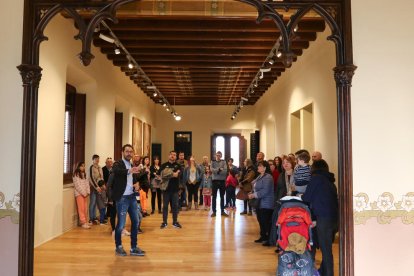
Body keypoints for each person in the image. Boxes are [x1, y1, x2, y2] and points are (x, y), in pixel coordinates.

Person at [302, 159, 338, 276]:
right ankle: (323, 271)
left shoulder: (316, 179)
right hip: (334, 219)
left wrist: (300, 196)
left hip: (323, 218)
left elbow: (307, 197)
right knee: (327, 247)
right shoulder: (330, 181)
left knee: (325, 249)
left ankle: (328, 273)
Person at [111, 144, 145, 257]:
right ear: (122, 152)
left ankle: (134, 247)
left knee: (136, 221)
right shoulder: (118, 164)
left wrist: (137, 184)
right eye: (127, 151)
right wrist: (129, 170)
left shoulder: (131, 164)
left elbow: (133, 178)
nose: (129, 153)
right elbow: (117, 172)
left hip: (131, 197)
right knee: (121, 225)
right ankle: (118, 247)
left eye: (131, 151)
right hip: (122, 198)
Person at [248, 161, 274, 244]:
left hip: (266, 203)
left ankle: (268, 239)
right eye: (258, 166)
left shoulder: (268, 177)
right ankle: (263, 236)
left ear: (265, 168)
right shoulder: (260, 176)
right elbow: (255, 185)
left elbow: (265, 191)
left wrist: (254, 195)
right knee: (260, 220)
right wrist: (251, 192)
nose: (258, 167)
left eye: (260, 166)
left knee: (265, 221)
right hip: (260, 202)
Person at [159, 150, 182, 229]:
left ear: (176, 157)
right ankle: (164, 222)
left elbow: (178, 175)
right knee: (165, 206)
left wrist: (168, 174)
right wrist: (172, 174)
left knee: (175, 207)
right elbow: (161, 175)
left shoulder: (178, 165)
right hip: (166, 189)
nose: (173, 156)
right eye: (171, 154)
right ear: (169, 156)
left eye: (174, 155)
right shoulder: (164, 165)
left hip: (175, 190)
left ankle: (175, 222)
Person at [73, 161, 90, 229]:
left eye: (84, 166)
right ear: (78, 166)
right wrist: (83, 193)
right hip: (79, 194)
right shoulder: (76, 174)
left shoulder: (84, 174)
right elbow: (77, 186)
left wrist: (87, 192)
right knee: (81, 208)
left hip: (85, 194)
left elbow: (87, 183)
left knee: (85, 208)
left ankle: (86, 221)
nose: (83, 167)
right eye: (81, 166)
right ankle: (83, 222)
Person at [210, 151, 228, 217]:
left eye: (219, 155)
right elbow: (211, 170)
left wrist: (216, 171)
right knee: (214, 197)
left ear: (221, 156)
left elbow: (225, 171)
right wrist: (219, 169)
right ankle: (214, 211)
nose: (218, 156)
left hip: (222, 181)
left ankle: (222, 211)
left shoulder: (224, 162)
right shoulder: (212, 161)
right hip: (214, 181)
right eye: (217, 155)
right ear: (215, 155)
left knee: (222, 197)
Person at [88, 154, 104, 225]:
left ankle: (94, 217)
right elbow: (91, 178)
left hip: (100, 188)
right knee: (93, 203)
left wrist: (102, 185)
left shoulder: (100, 167)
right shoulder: (91, 167)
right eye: (96, 159)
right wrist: (96, 187)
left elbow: (101, 177)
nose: (97, 160)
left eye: (98, 159)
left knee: (98, 204)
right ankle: (91, 218)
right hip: (94, 188)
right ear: (93, 160)